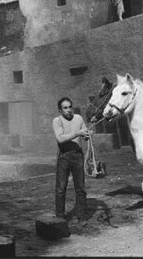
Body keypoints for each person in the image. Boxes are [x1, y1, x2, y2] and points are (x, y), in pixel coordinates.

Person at [52, 97, 90, 226]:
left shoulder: (78, 118)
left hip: (77, 155)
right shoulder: (57, 121)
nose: (69, 110)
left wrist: (86, 135)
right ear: (60, 110)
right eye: (65, 108)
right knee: (61, 188)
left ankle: (81, 217)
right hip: (64, 156)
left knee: (80, 188)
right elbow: (60, 139)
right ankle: (60, 217)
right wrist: (77, 133)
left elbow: (84, 135)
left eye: (70, 107)